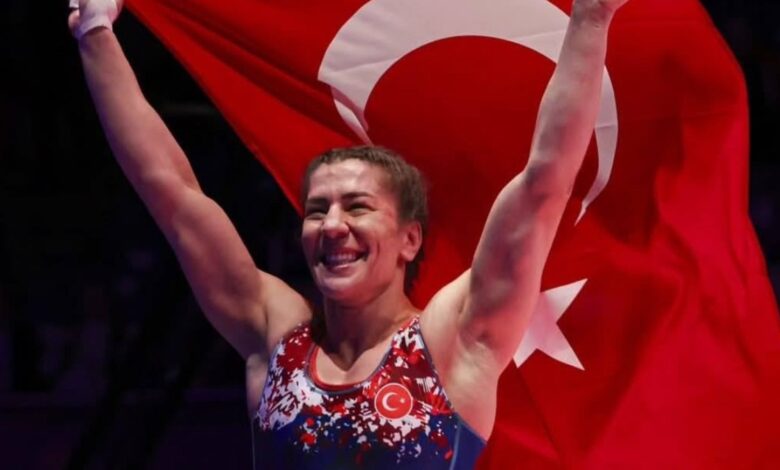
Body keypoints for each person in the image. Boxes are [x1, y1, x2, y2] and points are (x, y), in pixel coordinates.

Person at [69, 0, 630, 467]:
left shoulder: (452, 340)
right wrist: (95, 31)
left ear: (410, 239)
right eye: (317, 210)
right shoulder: (274, 334)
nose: (333, 225)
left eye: (357, 207)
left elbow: (545, 182)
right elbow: (171, 193)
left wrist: (591, 18)